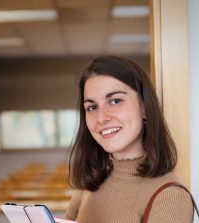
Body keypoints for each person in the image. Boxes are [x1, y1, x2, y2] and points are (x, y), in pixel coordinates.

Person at [65, 55, 194, 222]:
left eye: (115, 101)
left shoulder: (170, 197)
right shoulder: (89, 185)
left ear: (145, 108)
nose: (101, 118)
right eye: (92, 107)